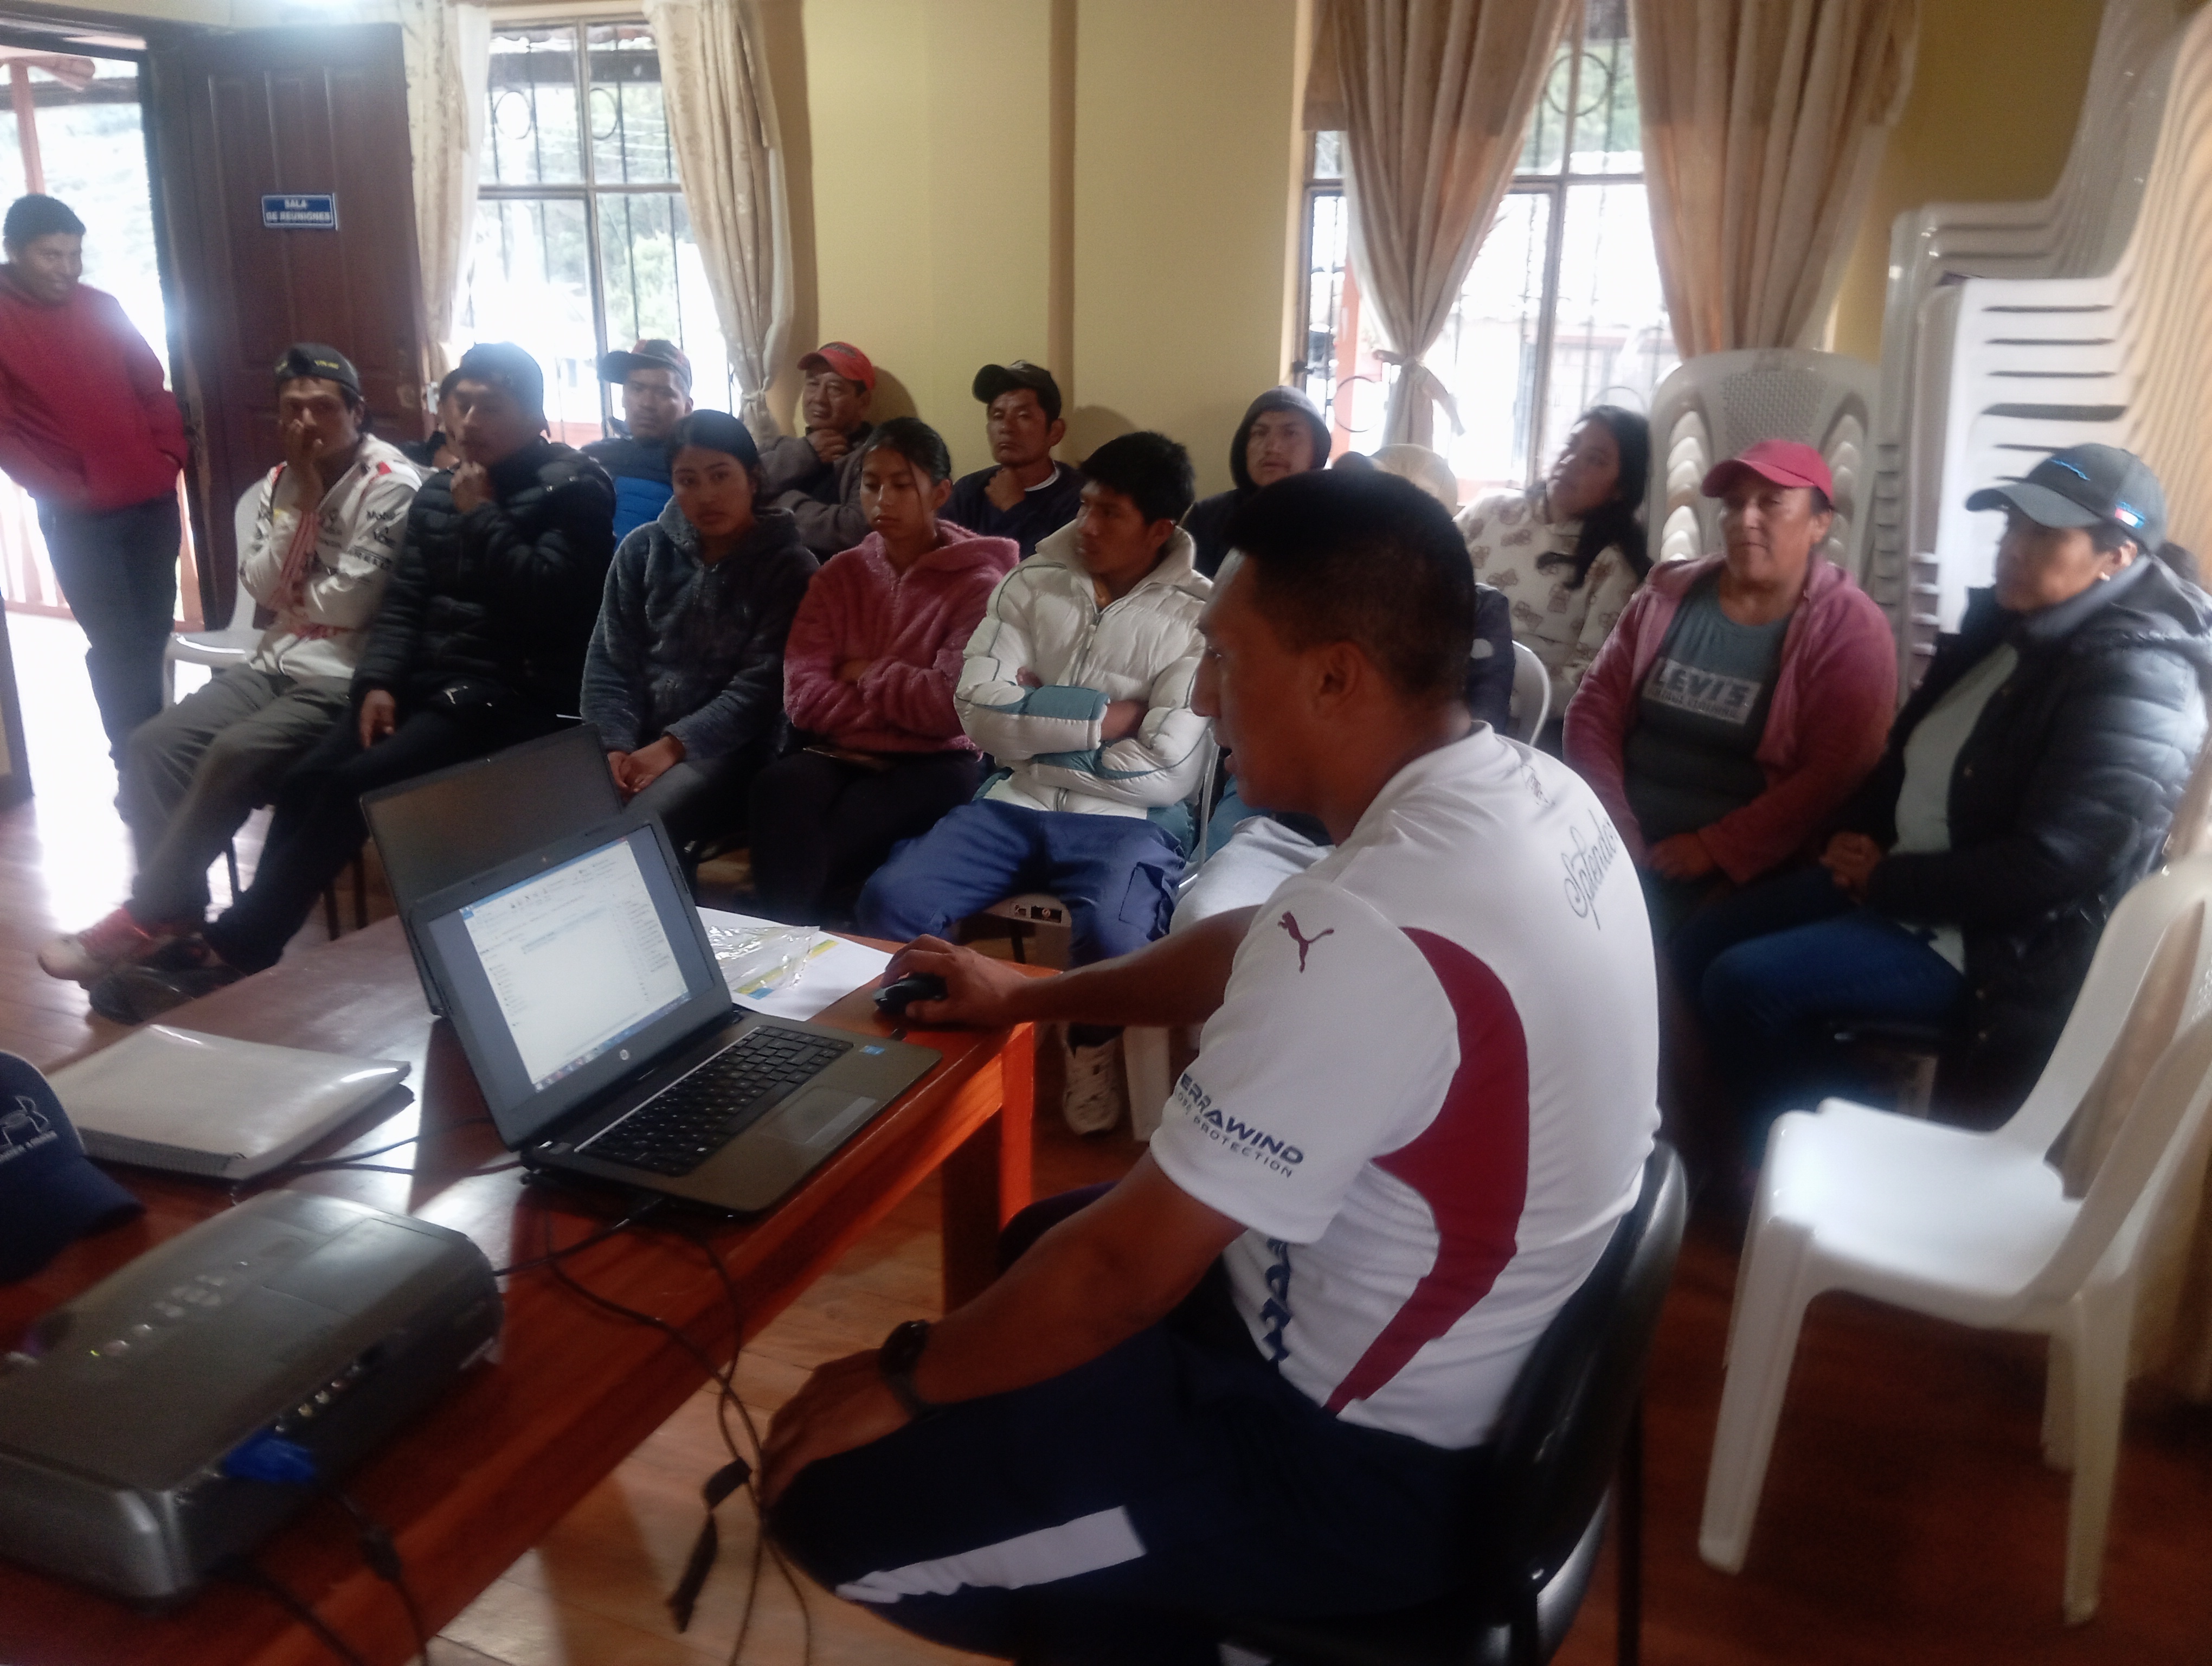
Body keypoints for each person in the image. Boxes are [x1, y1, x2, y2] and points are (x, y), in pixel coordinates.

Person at [762, 469, 1660, 1666]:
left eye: (1227, 659)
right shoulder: (1525, 791)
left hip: (1352, 1472)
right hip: (1479, 1370)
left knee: (830, 1502)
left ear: (1336, 676)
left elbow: (1123, 1275)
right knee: (1037, 1245)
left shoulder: (1377, 930)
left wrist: (909, 1377)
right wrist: (1034, 997)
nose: (1202, 693)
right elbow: (1260, 943)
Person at [1690, 444, 2212, 1139]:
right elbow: (1907, 757)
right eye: (2012, 526)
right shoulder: (2011, 626)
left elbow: (2052, 867)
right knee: (1697, 942)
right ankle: (1766, 1124)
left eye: (2045, 535)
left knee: (1743, 984)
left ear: (2117, 556)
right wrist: (1855, 834)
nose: (2012, 548)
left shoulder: (2141, 679)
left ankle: (1851, 1148)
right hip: (1907, 883)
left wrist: (1885, 880)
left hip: (1996, 946)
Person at [92, 343, 616, 1020]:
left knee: (351, 785)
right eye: (461, 404)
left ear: (536, 414)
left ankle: (238, 949)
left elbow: (552, 602)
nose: (470, 421)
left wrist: (482, 515)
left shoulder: (572, 488)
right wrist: (377, 684)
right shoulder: (441, 490)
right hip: (427, 687)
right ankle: (239, 941)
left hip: (514, 693)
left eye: (491, 406)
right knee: (309, 777)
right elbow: (403, 604)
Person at [856, 431, 1211, 1130]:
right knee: (890, 900)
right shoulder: (1030, 581)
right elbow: (976, 711)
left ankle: (1088, 1044)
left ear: (1159, 530)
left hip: (1128, 824)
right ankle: (941, 1045)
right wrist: (1110, 720)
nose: (1088, 525)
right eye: (1086, 506)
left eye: (1110, 514)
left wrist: (1033, 715)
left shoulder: (1197, 613)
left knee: (1117, 937)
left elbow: (1167, 767)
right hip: (1011, 802)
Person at [39, 344, 420, 984]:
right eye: (293, 408)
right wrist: (304, 500)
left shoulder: (391, 484)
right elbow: (263, 588)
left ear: (358, 412)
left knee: (235, 751)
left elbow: (352, 605)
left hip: (345, 673)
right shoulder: (282, 480)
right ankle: (177, 914)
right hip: (274, 658)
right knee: (153, 745)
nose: (307, 422)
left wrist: (298, 592)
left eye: (324, 407)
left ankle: (144, 914)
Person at [1564, 439, 1895, 938]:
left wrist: (1717, 849)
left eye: (1771, 503)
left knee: (1644, 946)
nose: (1746, 519)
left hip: (1746, 864)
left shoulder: (1850, 627)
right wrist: (1611, 823)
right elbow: (1594, 709)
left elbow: (1836, 773)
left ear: (1819, 523)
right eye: (1735, 504)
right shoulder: (1667, 592)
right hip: (1615, 832)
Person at [749, 418, 1018, 922]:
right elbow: (803, 694)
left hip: (938, 759)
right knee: (779, 787)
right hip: (842, 751)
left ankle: (805, 932)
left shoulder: (978, 583)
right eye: (871, 485)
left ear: (940, 493)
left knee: (854, 818)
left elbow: (948, 707)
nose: (882, 500)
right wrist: (895, 705)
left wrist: (868, 673)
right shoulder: (839, 575)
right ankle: (799, 936)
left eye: (901, 485)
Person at [0, 193, 187, 759]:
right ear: (14, 252)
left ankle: (161, 749)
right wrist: (68, 491)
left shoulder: (102, 306)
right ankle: (133, 757)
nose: (67, 268)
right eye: (51, 255)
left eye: (75, 254)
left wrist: (169, 457)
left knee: (154, 630)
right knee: (115, 642)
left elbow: (152, 389)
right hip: (80, 520)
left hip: (151, 501)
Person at [582, 409, 815, 860]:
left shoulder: (789, 568)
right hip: (635, 739)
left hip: (730, 752)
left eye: (721, 476)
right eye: (688, 481)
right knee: (557, 814)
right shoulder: (642, 550)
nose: (706, 495)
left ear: (753, 479)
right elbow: (610, 663)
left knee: (636, 830)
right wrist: (612, 747)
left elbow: (761, 691)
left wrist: (672, 747)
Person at [1459, 406, 1652, 725]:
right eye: (1570, 445)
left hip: (1511, 719)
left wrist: (1493, 699)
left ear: (1621, 488)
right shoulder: (1489, 511)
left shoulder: (1613, 566)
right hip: (1430, 680)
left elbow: (1586, 679)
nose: (1571, 461)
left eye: (1595, 459)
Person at [1181, 386, 1332, 578]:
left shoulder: (1335, 522)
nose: (1273, 447)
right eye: (1260, 433)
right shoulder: (1206, 518)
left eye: (1291, 433)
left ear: (1316, 449)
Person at [942, 360, 1086, 558]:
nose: (1006, 427)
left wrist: (1015, 509)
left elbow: (1057, 569)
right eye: (998, 416)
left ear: (1055, 432)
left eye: (1023, 416)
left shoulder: (1080, 497)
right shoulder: (969, 491)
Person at [760, 341, 876, 557]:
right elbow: (739, 485)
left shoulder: (874, 458)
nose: (819, 399)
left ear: (863, 402)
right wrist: (806, 453)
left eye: (835, 388)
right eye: (813, 384)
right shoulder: (779, 446)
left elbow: (854, 529)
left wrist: (774, 504)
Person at [584, 337, 694, 540]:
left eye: (664, 393)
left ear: (687, 407)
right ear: (623, 397)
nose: (647, 403)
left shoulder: (698, 465)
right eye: (637, 389)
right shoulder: (592, 457)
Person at [400, 369, 464, 472]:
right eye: (464, 406)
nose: (474, 415)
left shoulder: (491, 466)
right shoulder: (405, 458)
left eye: (487, 408)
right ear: (441, 408)